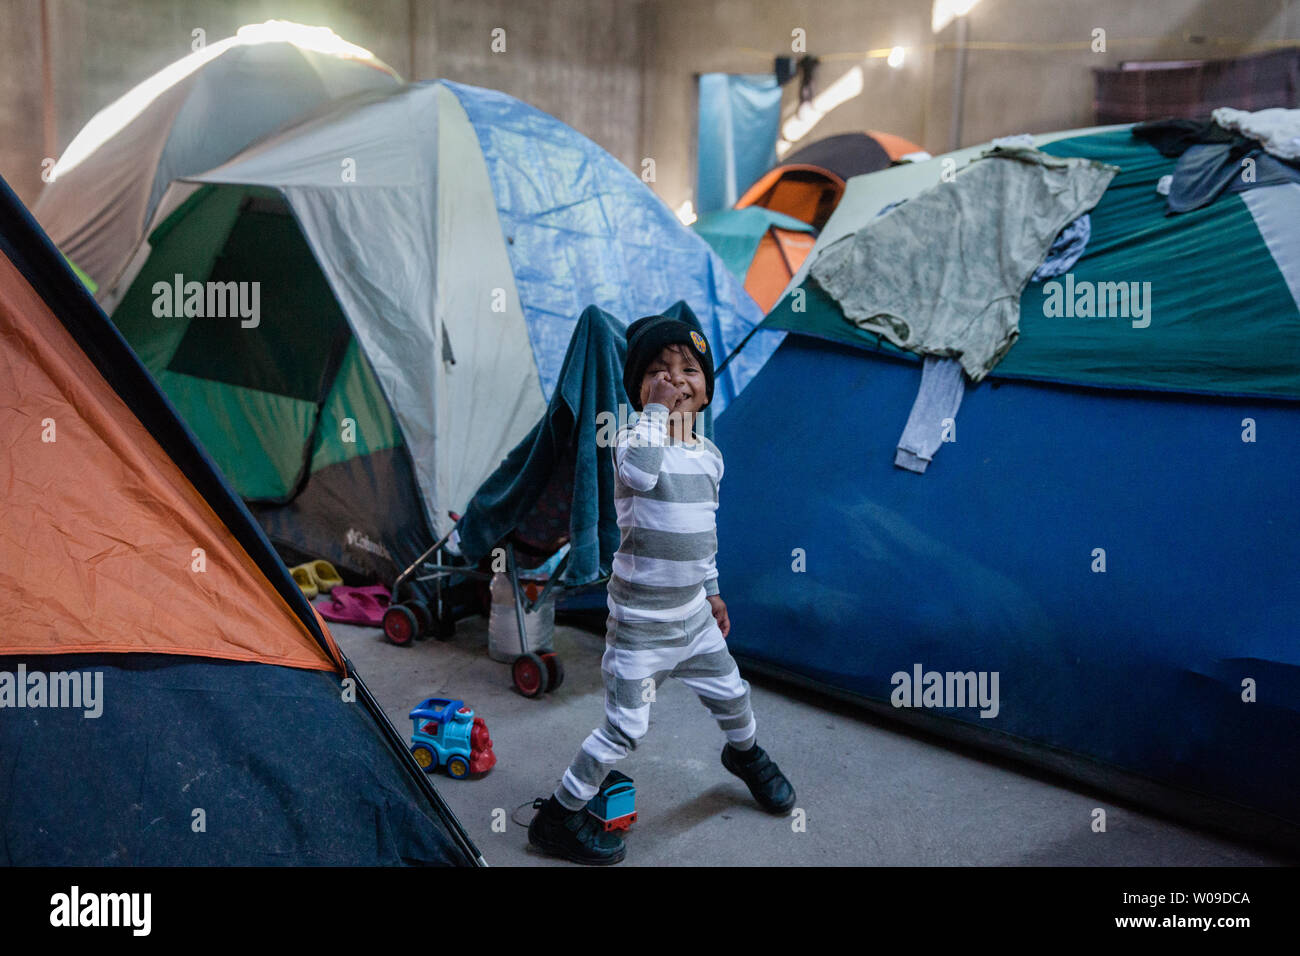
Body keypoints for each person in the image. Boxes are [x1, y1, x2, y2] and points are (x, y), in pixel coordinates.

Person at [527, 312, 795, 865]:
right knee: (626, 729)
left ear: (704, 391)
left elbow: (704, 535)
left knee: (735, 695)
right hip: (642, 628)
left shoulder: (711, 457)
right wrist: (650, 413)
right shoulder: (633, 441)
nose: (675, 379)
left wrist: (714, 591)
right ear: (640, 389)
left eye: (688, 369)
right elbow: (643, 477)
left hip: (694, 619)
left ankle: (744, 755)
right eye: (659, 370)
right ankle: (557, 818)